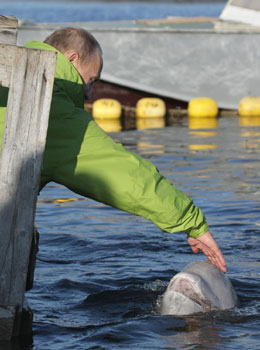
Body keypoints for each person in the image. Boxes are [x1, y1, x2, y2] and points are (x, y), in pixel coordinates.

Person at [0, 28, 226, 277]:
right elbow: (123, 175)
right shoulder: (48, 105)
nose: (88, 93)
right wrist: (191, 221)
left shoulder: (7, 81)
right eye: (92, 80)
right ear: (72, 58)